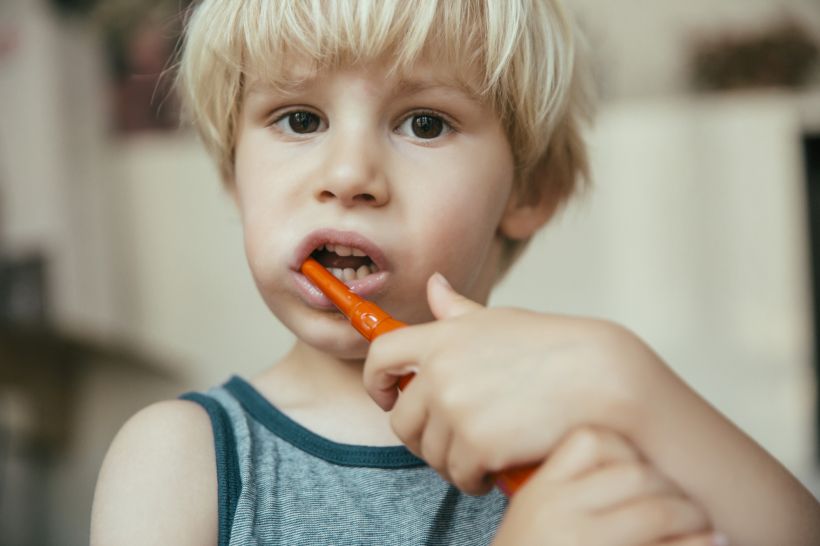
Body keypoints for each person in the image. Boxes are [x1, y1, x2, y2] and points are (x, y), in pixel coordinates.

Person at [90, 1, 820, 544]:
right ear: (232, 174)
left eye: (425, 123)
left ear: (529, 193)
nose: (348, 174)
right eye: (300, 119)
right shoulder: (183, 462)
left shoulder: (591, 430)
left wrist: (625, 380)